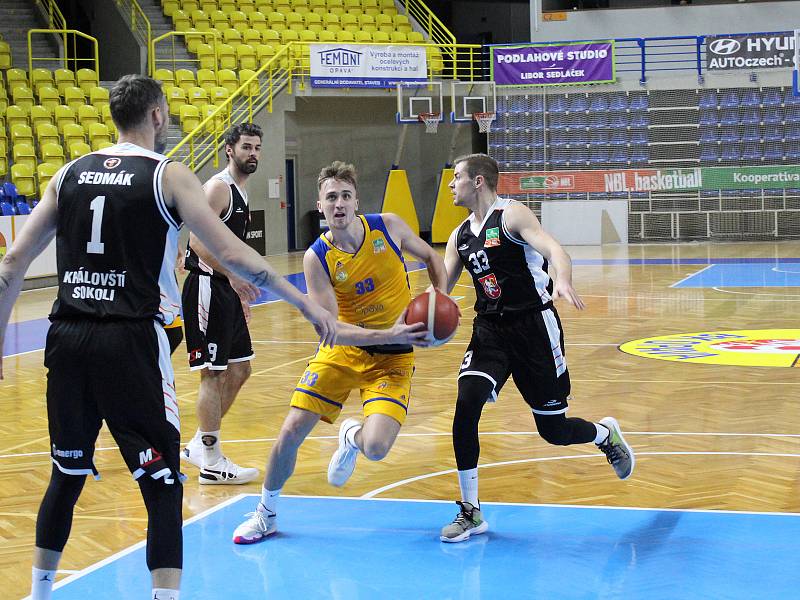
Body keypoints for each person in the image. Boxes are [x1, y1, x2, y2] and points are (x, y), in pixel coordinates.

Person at [0, 74, 336, 600]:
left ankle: (39, 593)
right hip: (131, 341)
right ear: (157, 116)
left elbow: (12, 265)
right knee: (161, 486)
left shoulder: (67, 174)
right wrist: (304, 303)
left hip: (65, 339)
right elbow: (230, 252)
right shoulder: (168, 175)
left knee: (64, 476)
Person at [232, 160, 447, 544]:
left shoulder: (389, 226)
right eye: (331, 197)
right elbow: (333, 331)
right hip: (345, 351)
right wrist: (389, 334)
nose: (339, 204)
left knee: (378, 448)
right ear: (321, 205)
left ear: (356, 202)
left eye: (346, 196)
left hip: (394, 357)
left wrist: (438, 298)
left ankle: (351, 436)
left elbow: (432, 258)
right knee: (292, 429)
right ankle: (266, 513)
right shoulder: (317, 258)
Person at [439, 153, 634, 543]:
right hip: (490, 331)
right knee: (467, 401)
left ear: (478, 181)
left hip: (534, 327)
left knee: (555, 431)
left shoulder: (511, 215)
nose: (450, 184)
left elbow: (554, 249)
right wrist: (420, 319)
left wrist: (562, 278)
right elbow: (440, 290)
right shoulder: (459, 235)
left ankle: (604, 435)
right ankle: (471, 510)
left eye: (456, 177)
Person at [180, 123, 264, 485]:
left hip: (225, 291)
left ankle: (200, 444)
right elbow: (197, 243)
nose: (253, 154)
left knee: (241, 369)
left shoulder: (241, 193)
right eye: (247, 147)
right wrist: (231, 277)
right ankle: (212, 461)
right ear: (230, 150)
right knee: (212, 374)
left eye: (258, 148)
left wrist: (239, 291)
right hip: (206, 287)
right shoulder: (218, 188)